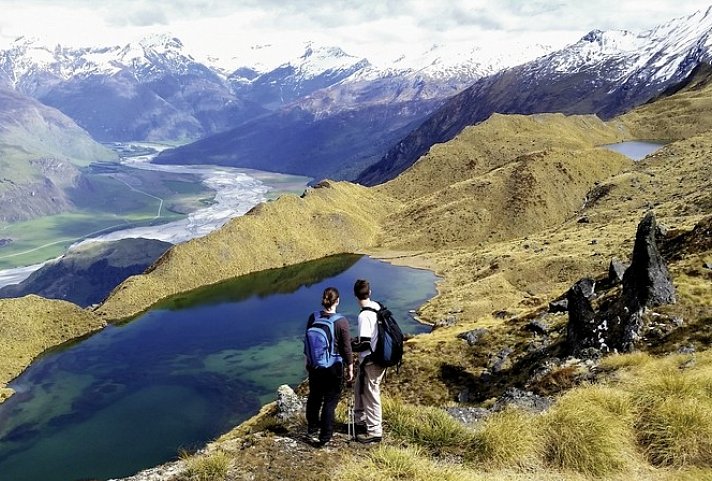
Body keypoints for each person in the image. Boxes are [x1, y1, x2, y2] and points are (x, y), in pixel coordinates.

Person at [305, 287, 353, 447]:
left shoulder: (314, 316)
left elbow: (307, 342)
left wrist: (309, 362)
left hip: (314, 366)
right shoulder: (341, 321)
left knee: (314, 397)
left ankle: (312, 428)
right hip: (333, 367)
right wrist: (350, 368)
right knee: (330, 401)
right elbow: (346, 348)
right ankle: (325, 436)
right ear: (337, 301)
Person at [352, 279, 386, 443]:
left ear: (355, 295)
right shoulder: (377, 307)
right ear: (369, 292)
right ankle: (360, 420)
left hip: (371, 361)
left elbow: (364, 343)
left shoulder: (364, 315)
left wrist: (350, 346)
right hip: (379, 356)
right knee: (360, 388)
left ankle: (374, 432)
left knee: (371, 394)